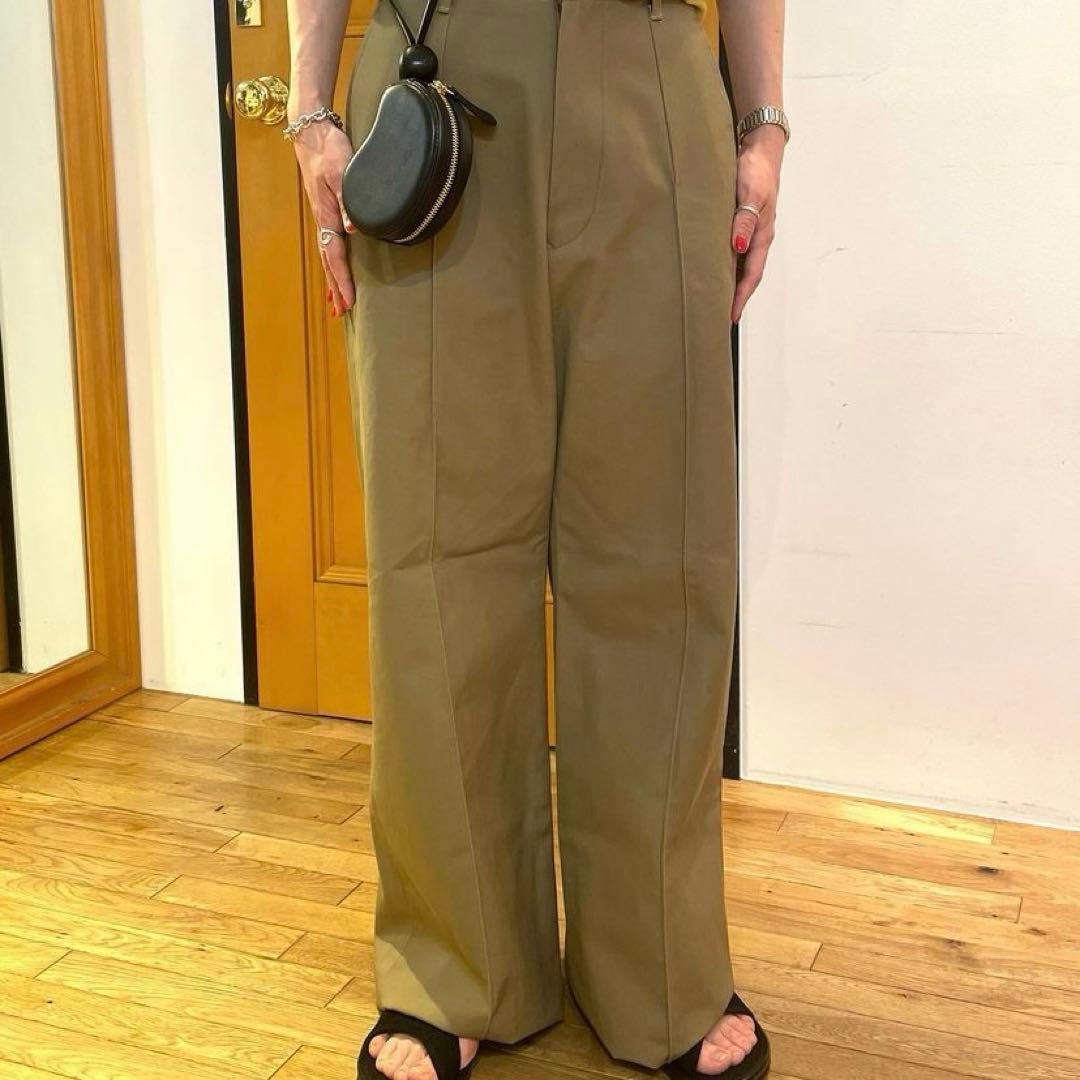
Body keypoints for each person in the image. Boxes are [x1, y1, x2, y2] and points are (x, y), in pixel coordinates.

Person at [286, 0, 786, 1076]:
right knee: (439, 548)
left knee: (659, 549)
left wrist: (764, 123)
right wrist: (309, 110)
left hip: (650, 69)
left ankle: (658, 959)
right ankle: (455, 963)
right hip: (439, 75)